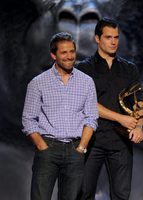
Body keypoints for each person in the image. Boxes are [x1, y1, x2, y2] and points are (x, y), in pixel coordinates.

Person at [22, 32, 98, 200]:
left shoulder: (86, 82)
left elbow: (91, 117)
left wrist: (82, 148)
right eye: (64, 52)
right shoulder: (38, 83)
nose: (70, 56)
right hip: (48, 148)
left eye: (72, 51)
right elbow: (28, 119)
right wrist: (42, 146)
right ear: (53, 54)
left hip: (75, 150)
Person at [76, 17, 143, 200]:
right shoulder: (83, 69)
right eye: (108, 37)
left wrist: (139, 126)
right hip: (92, 141)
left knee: (122, 195)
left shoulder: (129, 69)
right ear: (97, 39)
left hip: (121, 142)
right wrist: (120, 118)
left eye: (116, 37)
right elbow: (87, 103)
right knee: (84, 193)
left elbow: (139, 101)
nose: (113, 41)